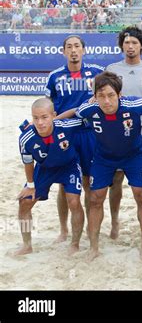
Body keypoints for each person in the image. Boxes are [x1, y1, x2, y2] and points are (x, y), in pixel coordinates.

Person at [73, 71, 142, 262]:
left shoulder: (133, 104)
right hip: (103, 157)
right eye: (101, 96)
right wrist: (55, 121)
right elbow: (75, 112)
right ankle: (94, 247)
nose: (106, 101)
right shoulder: (88, 109)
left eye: (111, 95)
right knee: (95, 198)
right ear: (94, 97)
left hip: (133, 156)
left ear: (119, 95)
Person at [105, 26, 142, 239]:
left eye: (134, 43)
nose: (130, 46)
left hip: (141, 130)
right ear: (122, 44)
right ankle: (114, 222)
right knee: (116, 178)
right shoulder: (112, 69)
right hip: (116, 131)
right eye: (126, 42)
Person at [45, 35, 104, 243]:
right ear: (63, 52)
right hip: (65, 135)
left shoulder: (96, 73)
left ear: (83, 50)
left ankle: (90, 228)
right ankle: (63, 229)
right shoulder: (55, 77)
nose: (73, 50)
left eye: (77, 46)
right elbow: (48, 105)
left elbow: (109, 95)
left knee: (89, 183)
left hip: (90, 134)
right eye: (69, 47)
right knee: (64, 184)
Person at [17, 99, 85, 256]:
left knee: (74, 201)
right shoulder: (26, 138)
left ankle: (75, 244)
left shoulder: (67, 126)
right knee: (24, 203)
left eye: (44, 117)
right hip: (44, 168)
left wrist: (89, 102)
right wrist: (30, 185)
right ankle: (27, 245)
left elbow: (82, 113)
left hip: (69, 167)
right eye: (35, 118)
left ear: (54, 116)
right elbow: (28, 163)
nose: (40, 122)